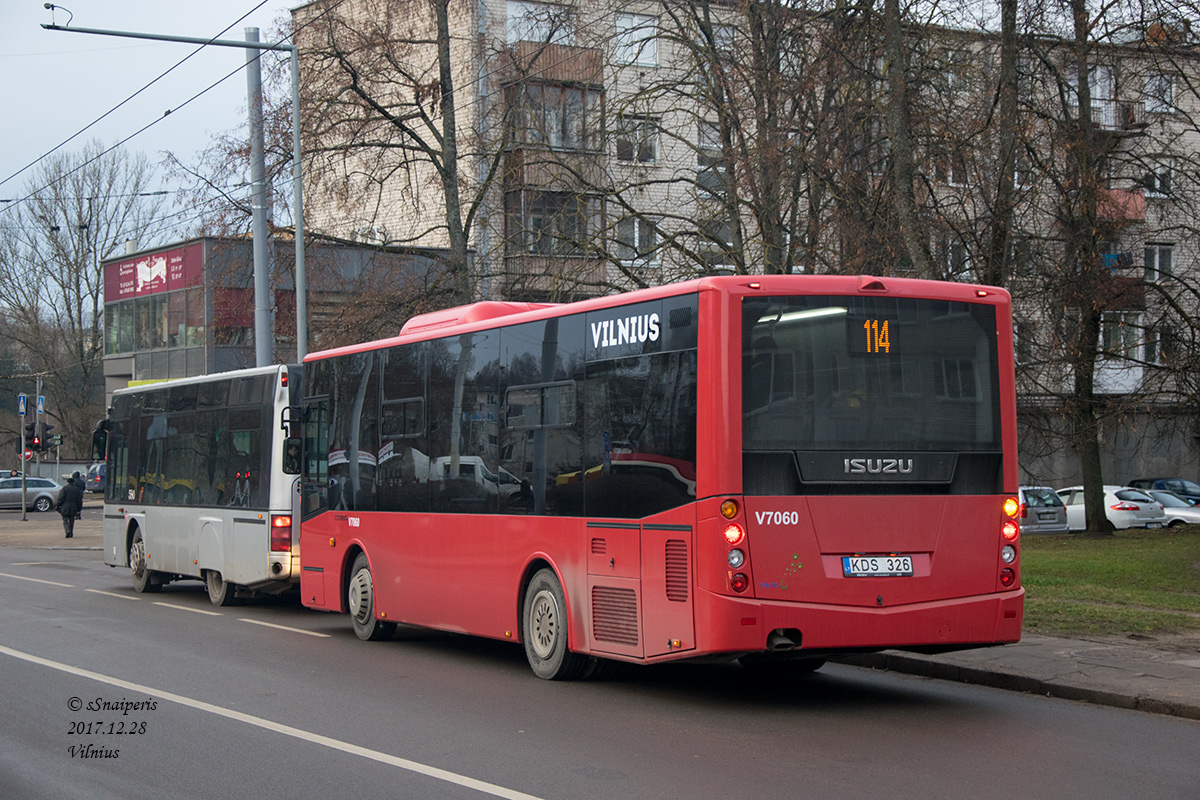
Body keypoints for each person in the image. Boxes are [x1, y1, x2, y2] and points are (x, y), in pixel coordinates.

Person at [56, 472, 85, 539]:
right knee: (72, 521)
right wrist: (79, 509)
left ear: (68, 482)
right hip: (73, 507)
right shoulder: (77, 490)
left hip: (65, 507)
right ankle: (71, 532)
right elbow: (79, 500)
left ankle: (67, 531)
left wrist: (58, 505)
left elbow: (61, 498)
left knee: (65, 520)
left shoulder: (64, 489)